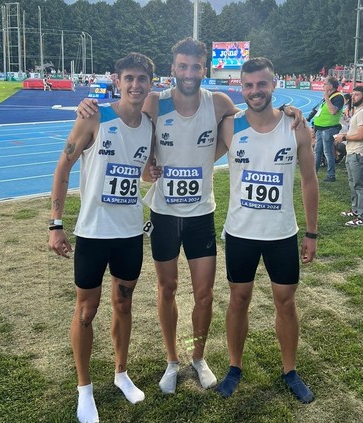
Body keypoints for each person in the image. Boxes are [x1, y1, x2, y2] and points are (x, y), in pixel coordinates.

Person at [76, 38, 305, 395]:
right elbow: (129, 118)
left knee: (205, 295)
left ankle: (198, 357)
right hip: (164, 213)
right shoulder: (154, 101)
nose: (188, 73)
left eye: (195, 67)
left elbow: (252, 122)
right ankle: (172, 360)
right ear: (173, 69)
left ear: (204, 69)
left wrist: (290, 110)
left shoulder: (220, 104)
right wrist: (91, 106)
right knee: (166, 288)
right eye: (182, 66)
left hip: (201, 214)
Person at [48, 52, 155, 423]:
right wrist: (55, 223)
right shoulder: (94, 116)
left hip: (129, 234)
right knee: (86, 311)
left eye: (142, 79)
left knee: (124, 304)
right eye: (129, 78)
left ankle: (121, 374)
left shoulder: (148, 125)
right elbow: (64, 165)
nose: (135, 85)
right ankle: (84, 389)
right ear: (117, 79)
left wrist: (149, 173)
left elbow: (136, 169)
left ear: (150, 84)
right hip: (93, 234)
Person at [214, 57, 318, 403]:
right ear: (241, 88)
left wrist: (312, 232)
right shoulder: (230, 126)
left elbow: (308, 180)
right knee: (238, 299)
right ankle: (234, 366)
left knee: (285, 303)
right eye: (248, 85)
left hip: (281, 234)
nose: (255, 91)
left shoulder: (296, 126)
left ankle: (290, 370)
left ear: (274, 85)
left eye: (262, 84)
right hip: (241, 232)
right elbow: (191, 148)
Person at [334, 86, 363, 227]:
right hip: (353, 152)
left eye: (356, 95)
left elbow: (361, 135)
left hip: (359, 153)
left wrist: (344, 136)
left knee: (360, 186)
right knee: (353, 183)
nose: (353, 97)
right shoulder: (360, 112)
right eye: (353, 94)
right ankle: (356, 210)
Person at [313, 76, 345, 182]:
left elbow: (333, 111)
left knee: (328, 152)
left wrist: (326, 97)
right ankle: (314, 173)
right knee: (317, 151)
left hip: (329, 128)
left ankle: (331, 175)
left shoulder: (338, 97)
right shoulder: (330, 96)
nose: (323, 85)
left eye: (325, 84)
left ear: (331, 86)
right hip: (320, 128)